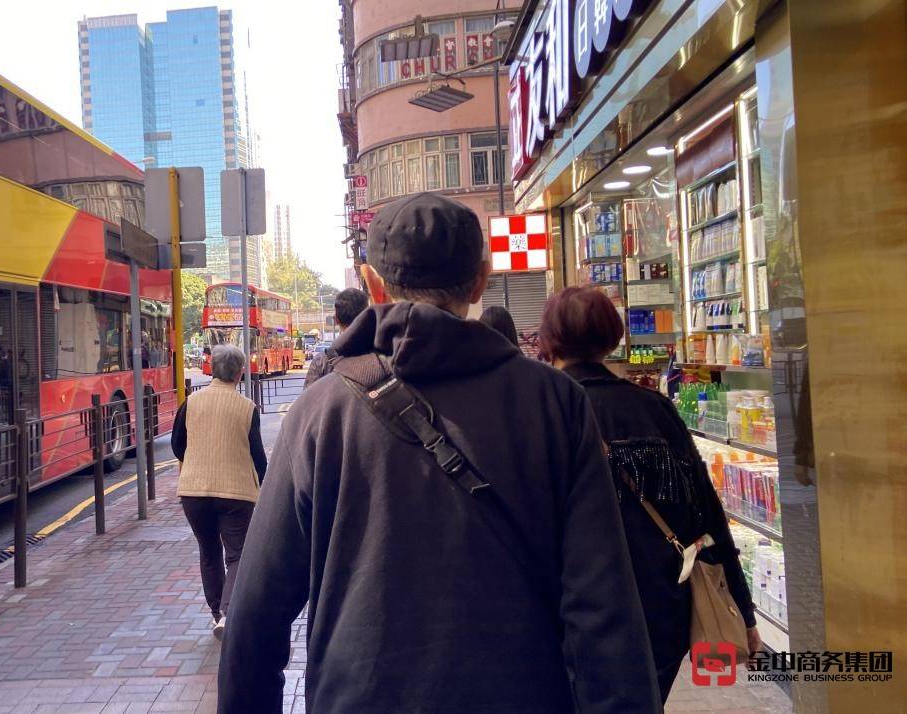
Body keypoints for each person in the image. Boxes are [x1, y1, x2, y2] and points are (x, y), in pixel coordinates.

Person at [218, 193, 660, 713]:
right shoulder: (554, 401)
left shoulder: (322, 411)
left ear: (373, 283)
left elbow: (257, 616)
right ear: (480, 281)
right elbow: (603, 602)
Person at [540, 286, 760, 700]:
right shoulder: (653, 408)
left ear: (551, 338)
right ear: (613, 336)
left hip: (572, 606)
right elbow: (705, 514)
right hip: (660, 603)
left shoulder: (541, 410)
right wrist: (742, 610)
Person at [170, 344, 267, 640]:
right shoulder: (247, 408)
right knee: (236, 554)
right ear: (239, 374)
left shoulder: (190, 403)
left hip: (194, 492)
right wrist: (264, 485)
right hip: (236, 493)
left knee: (208, 551)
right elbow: (258, 456)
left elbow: (177, 444)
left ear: (212, 369)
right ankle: (227, 613)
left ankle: (216, 613)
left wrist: (196, 460)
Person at [303, 288, 368, 388]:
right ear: (367, 316)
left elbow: (308, 401)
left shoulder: (322, 361)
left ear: (336, 319)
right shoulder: (387, 357)